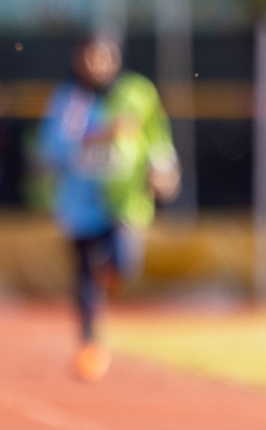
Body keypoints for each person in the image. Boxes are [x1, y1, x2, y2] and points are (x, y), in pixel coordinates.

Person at [39, 35, 180, 381]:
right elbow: (51, 149)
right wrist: (97, 135)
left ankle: (108, 283)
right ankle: (90, 343)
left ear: (115, 60)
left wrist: (165, 169)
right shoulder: (69, 99)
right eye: (89, 58)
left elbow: (157, 136)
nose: (96, 66)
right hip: (80, 202)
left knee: (123, 262)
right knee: (85, 274)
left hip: (124, 200)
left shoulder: (137, 93)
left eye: (102, 58)